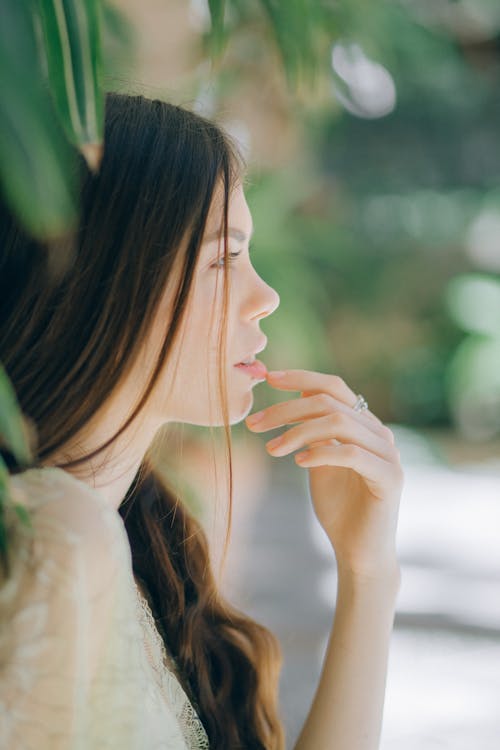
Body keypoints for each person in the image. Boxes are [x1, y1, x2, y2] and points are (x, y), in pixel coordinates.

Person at [0, 91, 403, 750]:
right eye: (224, 257)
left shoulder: (131, 540)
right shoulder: (60, 537)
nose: (265, 299)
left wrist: (368, 571)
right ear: (103, 278)